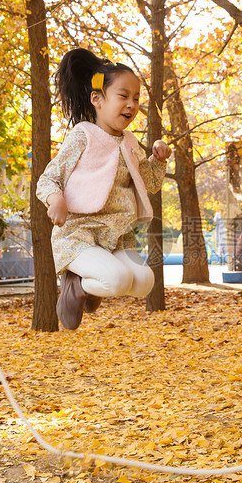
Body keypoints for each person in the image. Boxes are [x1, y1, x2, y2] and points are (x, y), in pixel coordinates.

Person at [36, 48, 171, 330]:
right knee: (118, 279)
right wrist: (56, 199)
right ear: (97, 99)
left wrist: (158, 160)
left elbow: (151, 183)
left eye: (136, 98)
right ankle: (75, 281)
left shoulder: (130, 142)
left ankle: (91, 286)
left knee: (145, 282)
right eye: (123, 96)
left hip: (116, 237)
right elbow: (49, 177)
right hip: (80, 235)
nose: (132, 105)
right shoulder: (83, 136)